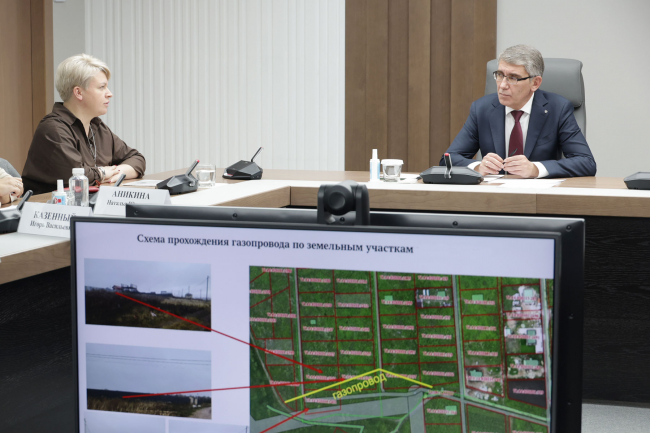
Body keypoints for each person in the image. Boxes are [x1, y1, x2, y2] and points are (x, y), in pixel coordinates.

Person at [440, 45, 596, 178]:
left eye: (513, 78)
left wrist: (535, 169)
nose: (502, 85)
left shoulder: (558, 108)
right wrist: (478, 166)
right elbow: (448, 159)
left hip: (539, 196)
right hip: (493, 195)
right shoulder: (482, 109)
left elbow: (586, 162)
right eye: (500, 75)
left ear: (535, 83)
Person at [22, 54, 146, 195]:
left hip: (89, 204)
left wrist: (118, 172)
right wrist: (103, 172)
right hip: (51, 207)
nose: (109, 94)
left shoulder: (97, 126)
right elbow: (78, 176)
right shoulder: (53, 129)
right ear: (78, 92)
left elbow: (137, 159)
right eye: (102, 87)